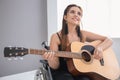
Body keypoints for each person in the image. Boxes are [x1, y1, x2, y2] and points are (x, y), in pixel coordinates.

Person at [42, 4, 113, 80]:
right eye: (72, 12)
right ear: (65, 17)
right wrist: (50, 59)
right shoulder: (56, 37)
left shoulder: (83, 34)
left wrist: (100, 48)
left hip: (80, 70)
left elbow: (109, 40)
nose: (76, 15)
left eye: (79, 14)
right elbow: (55, 66)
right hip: (62, 71)